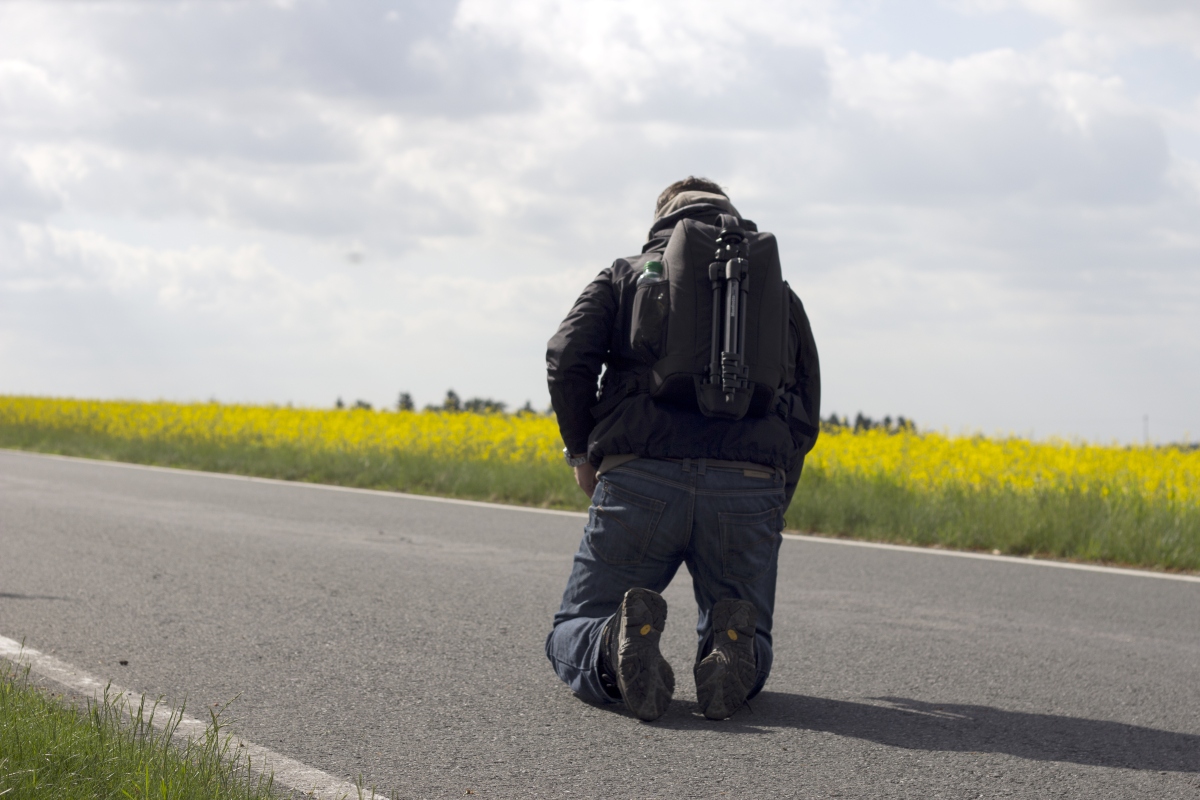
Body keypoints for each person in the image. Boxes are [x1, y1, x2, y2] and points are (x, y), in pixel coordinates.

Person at [543, 177, 821, 721]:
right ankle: (731, 647)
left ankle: (612, 645)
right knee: (748, 628)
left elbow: (566, 356)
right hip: (748, 486)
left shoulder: (625, 273)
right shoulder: (777, 295)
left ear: (662, 222)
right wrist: (774, 492)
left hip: (641, 478)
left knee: (574, 626)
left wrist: (582, 453)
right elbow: (804, 404)